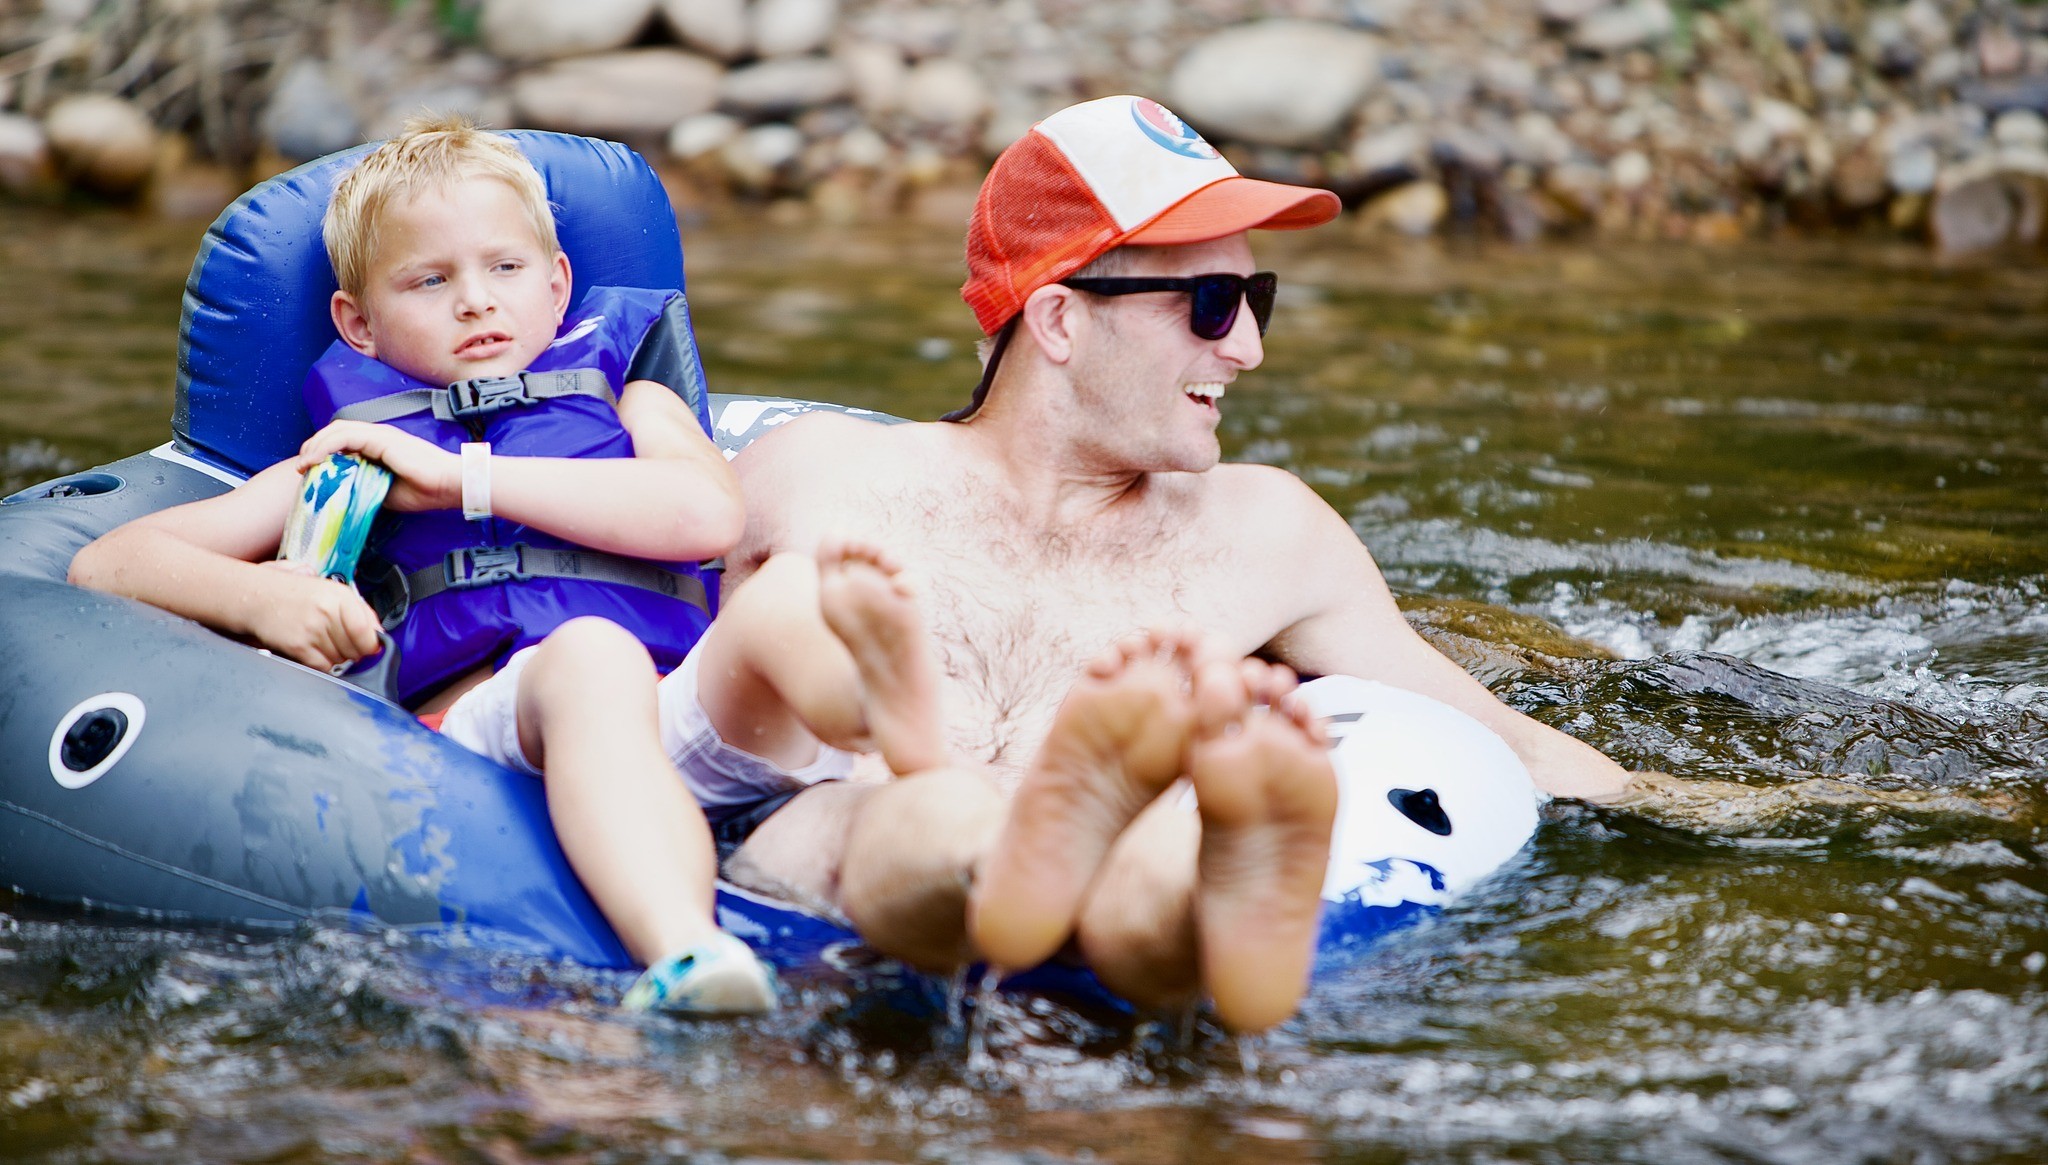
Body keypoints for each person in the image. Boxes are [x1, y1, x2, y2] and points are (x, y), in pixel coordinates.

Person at [684, 96, 1636, 1033]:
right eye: (1213, 305)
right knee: (897, 823)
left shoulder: (1269, 533)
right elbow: (653, 667)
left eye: (1255, 299)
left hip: (1111, 963)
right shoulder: (816, 475)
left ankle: (1215, 892)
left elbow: (1516, 745)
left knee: (1168, 861)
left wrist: (1756, 822)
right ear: (1058, 320)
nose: (1250, 349)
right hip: (834, 941)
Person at [68, 115, 776, 1016]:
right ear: (358, 324)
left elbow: (707, 514)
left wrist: (467, 480)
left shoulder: (632, 398)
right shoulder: (358, 455)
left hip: (683, 701)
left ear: (559, 287)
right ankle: (685, 950)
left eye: (505, 268)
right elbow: (113, 562)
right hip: (503, 715)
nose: (476, 301)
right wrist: (264, 596)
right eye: (429, 280)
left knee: (794, 613)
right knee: (594, 656)